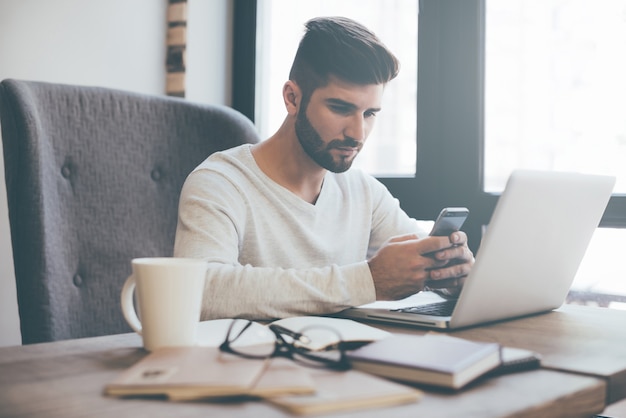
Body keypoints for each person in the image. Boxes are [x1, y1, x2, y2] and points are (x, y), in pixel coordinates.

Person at [174, 16, 474, 320]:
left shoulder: (363, 193)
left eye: (369, 113)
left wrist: (452, 275)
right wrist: (368, 281)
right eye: (341, 108)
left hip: (343, 361)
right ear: (292, 98)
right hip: (250, 364)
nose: (357, 133)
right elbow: (199, 292)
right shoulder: (219, 183)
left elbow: (419, 263)